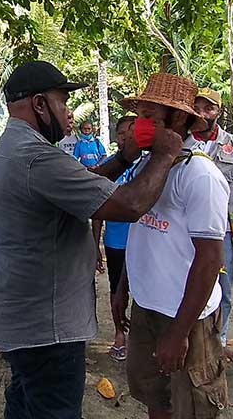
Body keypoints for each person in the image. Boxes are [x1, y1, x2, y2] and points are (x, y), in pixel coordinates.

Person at [0, 61, 183, 419]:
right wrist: (166, 154)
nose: (68, 112)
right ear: (40, 104)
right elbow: (130, 204)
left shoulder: (16, 145)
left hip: (23, 317)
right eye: (63, 102)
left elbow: (84, 182)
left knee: (26, 402)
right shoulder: (36, 157)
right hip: (46, 328)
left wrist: (124, 159)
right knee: (51, 407)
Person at [112, 73, 230, 419]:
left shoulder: (200, 175)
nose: (139, 127)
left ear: (178, 119)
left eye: (149, 117)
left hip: (186, 318)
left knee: (191, 406)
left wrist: (179, 333)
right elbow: (142, 236)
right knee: (156, 400)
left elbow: (210, 259)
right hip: (147, 308)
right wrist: (123, 290)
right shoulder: (151, 166)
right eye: (139, 117)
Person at [191, 88, 233, 362]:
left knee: (223, 287)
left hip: (223, 231)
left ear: (219, 112)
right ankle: (190, 336)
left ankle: (219, 339)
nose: (204, 114)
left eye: (210, 108)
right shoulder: (180, 141)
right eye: (199, 108)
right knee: (189, 282)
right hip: (187, 229)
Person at [91, 115, 138, 362]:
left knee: (141, 289)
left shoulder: (149, 164)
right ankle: (120, 334)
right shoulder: (108, 166)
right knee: (116, 288)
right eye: (123, 133)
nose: (128, 137)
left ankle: (140, 337)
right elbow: (97, 207)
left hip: (143, 242)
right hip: (116, 241)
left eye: (134, 131)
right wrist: (95, 244)